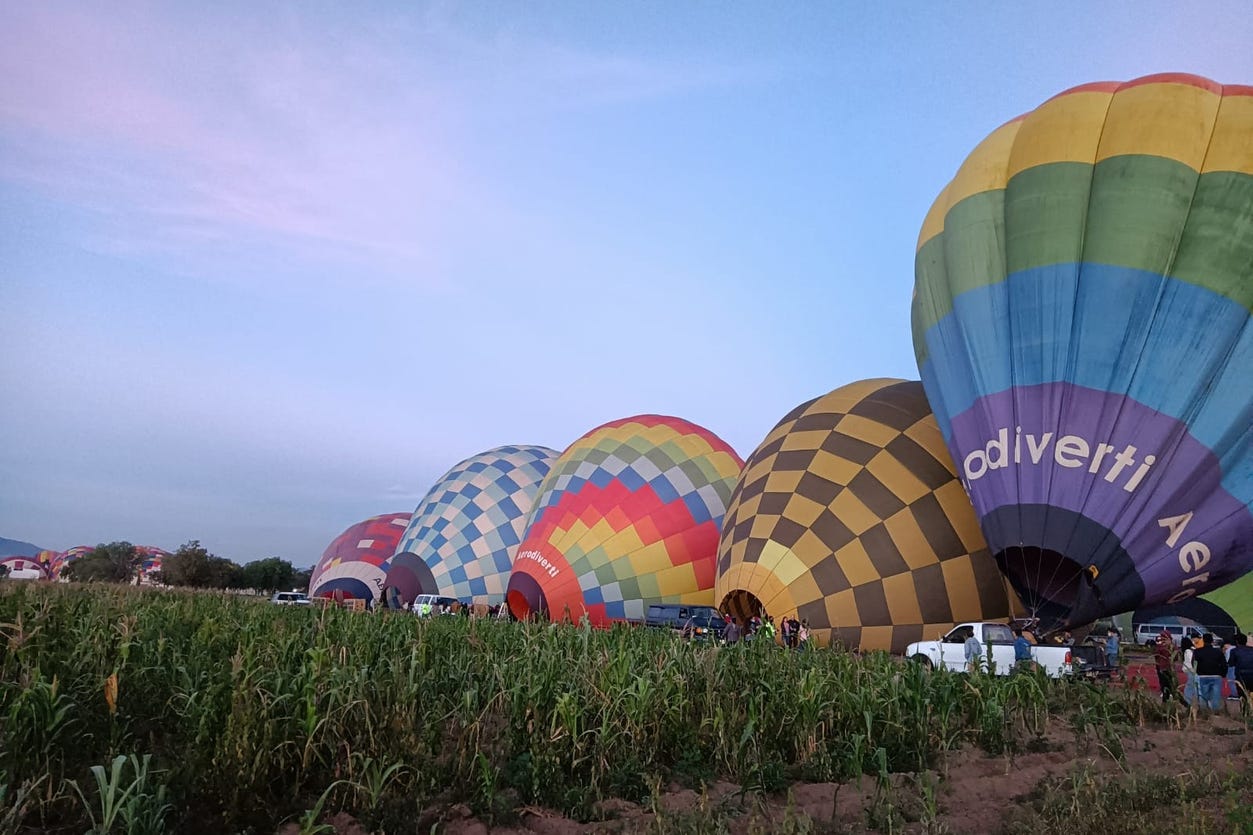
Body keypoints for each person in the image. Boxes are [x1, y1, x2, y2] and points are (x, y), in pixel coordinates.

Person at [1193, 633, 1228, 712]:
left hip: (1203, 675)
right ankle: (1215, 712)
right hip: (1216, 675)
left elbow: (1193, 663)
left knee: (1203, 695)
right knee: (1216, 695)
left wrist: (1197, 672)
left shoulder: (1197, 651)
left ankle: (1204, 711)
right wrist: (1223, 674)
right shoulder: (1218, 652)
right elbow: (1224, 664)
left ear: (1203, 641)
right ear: (1212, 641)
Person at [1228, 633, 1253, 711]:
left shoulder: (1234, 651)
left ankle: (1244, 711)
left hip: (1241, 676)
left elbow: (1231, 663)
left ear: (1237, 642)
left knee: (1242, 696)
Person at [1154, 629, 1179, 702]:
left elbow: (1176, 656)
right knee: (1164, 683)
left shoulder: (1172, 646)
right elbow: (1156, 655)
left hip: (1168, 668)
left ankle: (1169, 695)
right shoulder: (1160, 646)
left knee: (1168, 682)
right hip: (1162, 667)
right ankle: (1166, 696)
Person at [1181, 637, 1198, 706]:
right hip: (1193, 669)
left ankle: (1187, 701)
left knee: (1189, 686)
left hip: (1191, 670)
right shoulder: (1194, 649)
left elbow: (1191, 660)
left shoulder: (1188, 651)